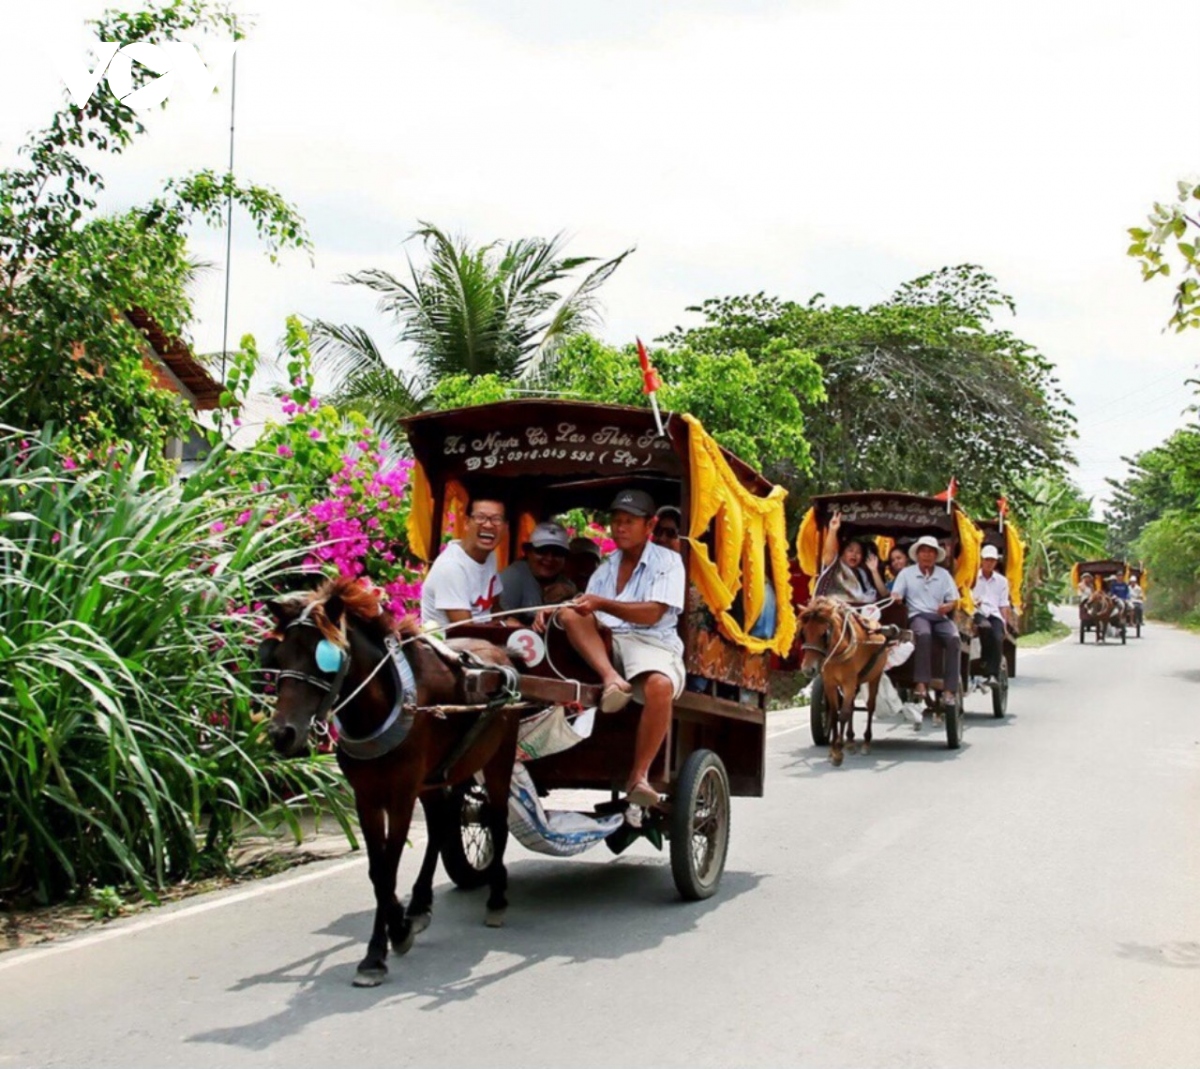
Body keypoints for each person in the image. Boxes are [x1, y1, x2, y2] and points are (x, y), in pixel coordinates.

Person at [543, 489, 685, 808]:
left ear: (649, 526)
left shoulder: (669, 562)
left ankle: (638, 777)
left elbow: (653, 613)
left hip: (651, 642)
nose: (620, 528)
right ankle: (611, 679)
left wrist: (602, 603)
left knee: (660, 686)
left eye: (629, 522)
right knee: (567, 614)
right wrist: (556, 610)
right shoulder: (606, 567)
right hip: (607, 643)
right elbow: (586, 609)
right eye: (616, 521)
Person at [890, 534, 961, 703]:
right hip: (918, 615)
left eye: (931, 552)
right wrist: (897, 598)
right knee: (923, 635)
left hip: (939, 616)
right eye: (924, 551)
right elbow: (896, 595)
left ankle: (950, 689)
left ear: (936, 556)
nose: (927, 555)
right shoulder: (906, 574)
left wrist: (947, 606)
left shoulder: (944, 575)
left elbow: (953, 600)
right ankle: (921, 683)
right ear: (917, 554)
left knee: (954, 638)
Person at [419, 497, 506, 631]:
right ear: (466, 522)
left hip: (485, 637)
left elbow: (496, 609)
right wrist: (501, 627)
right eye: (480, 517)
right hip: (452, 645)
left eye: (496, 519)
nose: (488, 525)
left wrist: (508, 623)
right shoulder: (451, 566)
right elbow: (466, 630)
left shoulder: (490, 556)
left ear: (505, 527)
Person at [497, 522, 576, 624]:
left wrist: (572, 595)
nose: (549, 558)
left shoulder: (567, 585)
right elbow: (500, 618)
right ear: (528, 552)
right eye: (542, 551)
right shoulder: (513, 576)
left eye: (557, 553)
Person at [818, 511, 889, 605]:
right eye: (850, 550)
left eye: (858, 552)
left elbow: (882, 595)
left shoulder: (861, 573)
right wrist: (833, 530)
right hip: (833, 610)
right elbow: (829, 554)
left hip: (858, 611)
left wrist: (874, 571)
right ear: (842, 553)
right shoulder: (835, 566)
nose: (854, 554)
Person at [972, 545, 1013, 686]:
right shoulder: (973, 577)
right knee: (985, 627)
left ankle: (992, 674)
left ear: (996, 562)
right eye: (987, 560)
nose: (989, 563)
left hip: (994, 613)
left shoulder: (1002, 581)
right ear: (982, 560)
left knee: (997, 636)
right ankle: (984, 661)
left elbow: (1003, 604)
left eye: (992, 560)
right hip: (977, 612)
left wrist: (1005, 625)